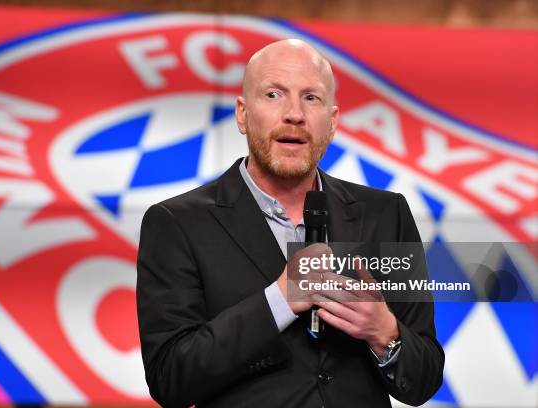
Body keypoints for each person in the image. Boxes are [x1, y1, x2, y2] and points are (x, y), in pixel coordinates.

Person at [137, 39, 444, 408]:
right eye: (273, 94)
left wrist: (384, 333)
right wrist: (279, 301)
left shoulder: (385, 214)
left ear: (331, 123)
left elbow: (424, 378)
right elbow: (170, 378)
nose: (294, 114)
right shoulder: (177, 224)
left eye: (311, 98)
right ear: (242, 113)